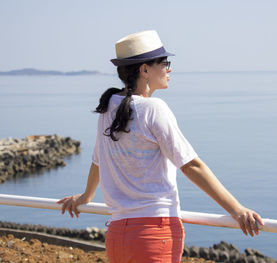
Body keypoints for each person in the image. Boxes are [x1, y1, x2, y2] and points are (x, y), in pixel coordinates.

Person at [57, 30, 264, 263]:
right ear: (144, 70)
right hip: (154, 234)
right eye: (164, 63)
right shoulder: (154, 108)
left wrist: (86, 196)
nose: (169, 69)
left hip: (117, 235)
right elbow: (191, 165)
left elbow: (99, 159)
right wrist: (237, 210)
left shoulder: (108, 108)